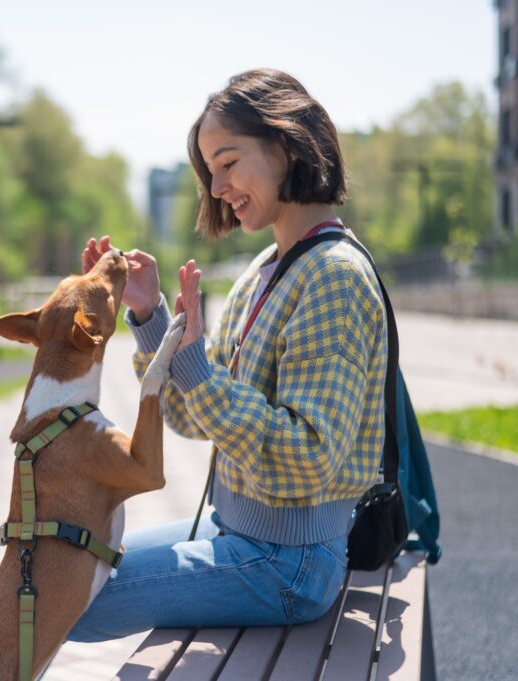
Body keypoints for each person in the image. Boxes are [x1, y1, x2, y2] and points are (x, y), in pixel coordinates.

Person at [68, 68, 388, 641]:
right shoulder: (262, 273)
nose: (216, 189)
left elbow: (310, 455)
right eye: (209, 171)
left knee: (65, 600)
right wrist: (149, 318)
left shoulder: (333, 279)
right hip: (237, 530)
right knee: (58, 566)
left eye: (228, 163)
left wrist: (196, 369)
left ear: (287, 146)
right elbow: (192, 417)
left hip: (290, 562)